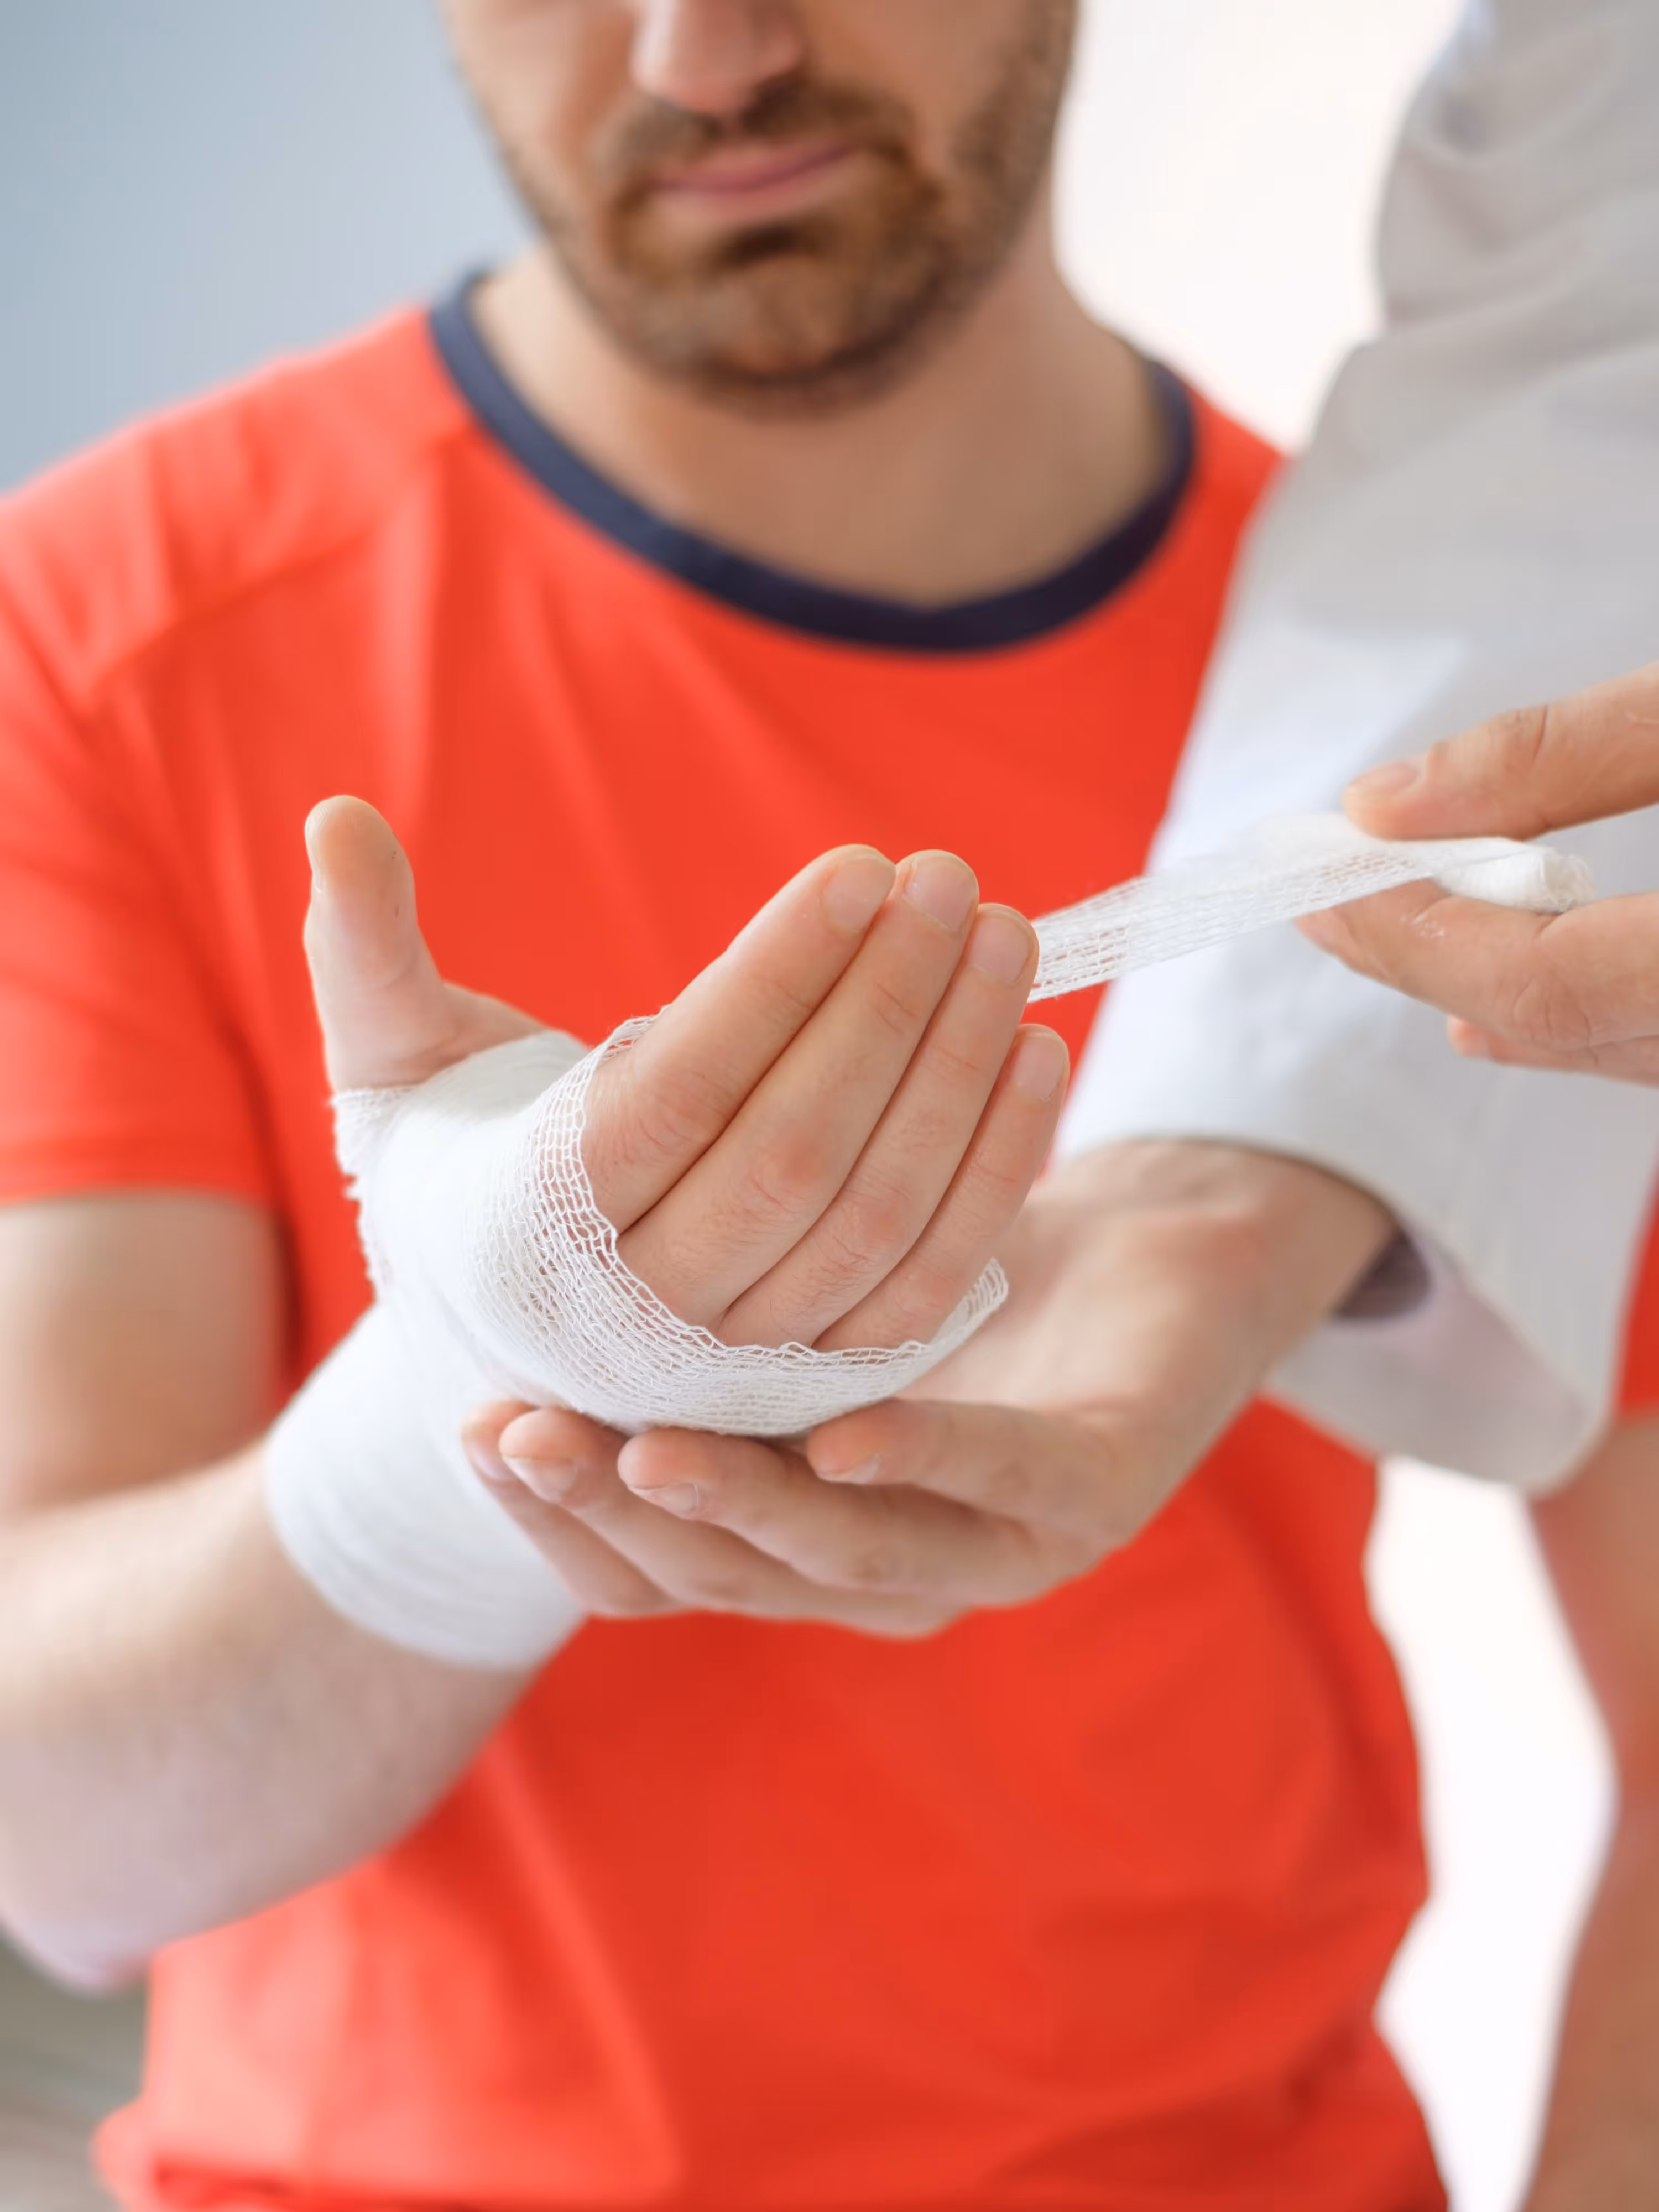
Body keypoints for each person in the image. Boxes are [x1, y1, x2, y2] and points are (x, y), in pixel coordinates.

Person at [0, 7, 1645, 2211]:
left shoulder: (1482, 748)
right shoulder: (103, 635)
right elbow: (53, 1838)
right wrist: (489, 1383)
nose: (707, 52)